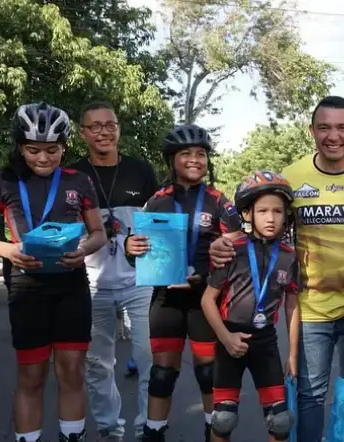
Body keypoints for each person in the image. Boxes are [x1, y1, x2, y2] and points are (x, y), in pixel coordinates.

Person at [209, 95, 344, 441]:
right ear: (312, 130)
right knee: (310, 395)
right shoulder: (294, 176)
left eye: (343, 127)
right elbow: (264, 217)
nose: (333, 135)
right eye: (324, 127)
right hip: (311, 306)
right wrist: (223, 240)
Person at [0, 102, 107, 441]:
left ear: (64, 147)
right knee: (32, 375)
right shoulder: (3, 182)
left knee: (72, 372)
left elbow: (99, 233)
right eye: (33, 150)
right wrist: (9, 250)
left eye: (52, 150)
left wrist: (83, 250)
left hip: (71, 286)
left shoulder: (79, 180)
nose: (43, 158)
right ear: (20, 147)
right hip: (26, 289)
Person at [125, 123, 243, 442]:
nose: (195, 159)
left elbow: (239, 254)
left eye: (201, 154)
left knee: (208, 375)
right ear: (172, 160)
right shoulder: (156, 202)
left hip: (205, 300)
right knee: (162, 375)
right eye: (186, 154)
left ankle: (213, 432)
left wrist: (205, 276)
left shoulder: (220, 202)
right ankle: (154, 433)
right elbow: (136, 254)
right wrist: (129, 248)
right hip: (166, 300)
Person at [71, 101, 158, 441]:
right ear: (83, 133)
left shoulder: (141, 170)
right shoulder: (73, 176)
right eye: (95, 126)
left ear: (119, 129)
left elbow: (158, 221)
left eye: (110, 125)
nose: (104, 132)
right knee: (97, 364)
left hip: (140, 281)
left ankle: (146, 428)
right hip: (91, 283)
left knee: (149, 358)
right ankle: (109, 428)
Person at [201, 171, 300, 442]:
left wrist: (292, 355)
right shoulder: (232, 249)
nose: (271, 218)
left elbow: (292, 307)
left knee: (280, 421)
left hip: (265, 342)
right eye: (263, 210)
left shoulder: (290, 257)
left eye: (278, 211)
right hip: (229, 338)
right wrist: (226, 338)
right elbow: (207, 299)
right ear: (247, 214)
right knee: (223, 419)